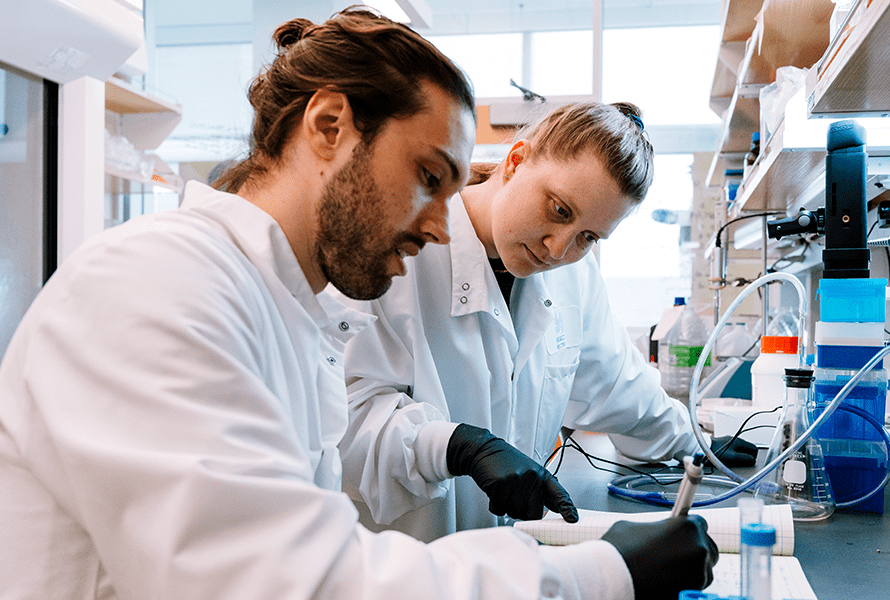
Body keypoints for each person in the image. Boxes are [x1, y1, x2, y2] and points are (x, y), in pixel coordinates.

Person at [0, 8, 716, 600]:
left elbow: (313, 539)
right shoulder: (154, 286)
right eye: (428, 177)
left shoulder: (290, 312)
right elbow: (285, 581)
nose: (441, 227)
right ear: (329, 126)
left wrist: (692, 449)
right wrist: (601, 574)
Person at [333, 100, 756, 542]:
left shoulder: (574, 274)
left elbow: (619, 387)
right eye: (559, 210)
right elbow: (342, 426)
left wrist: (696, 442)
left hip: (502, 556)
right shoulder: (396, 249)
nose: (558, 249)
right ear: (516, 161)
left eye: (588, 236)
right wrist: (453, 446)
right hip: (397, 557)